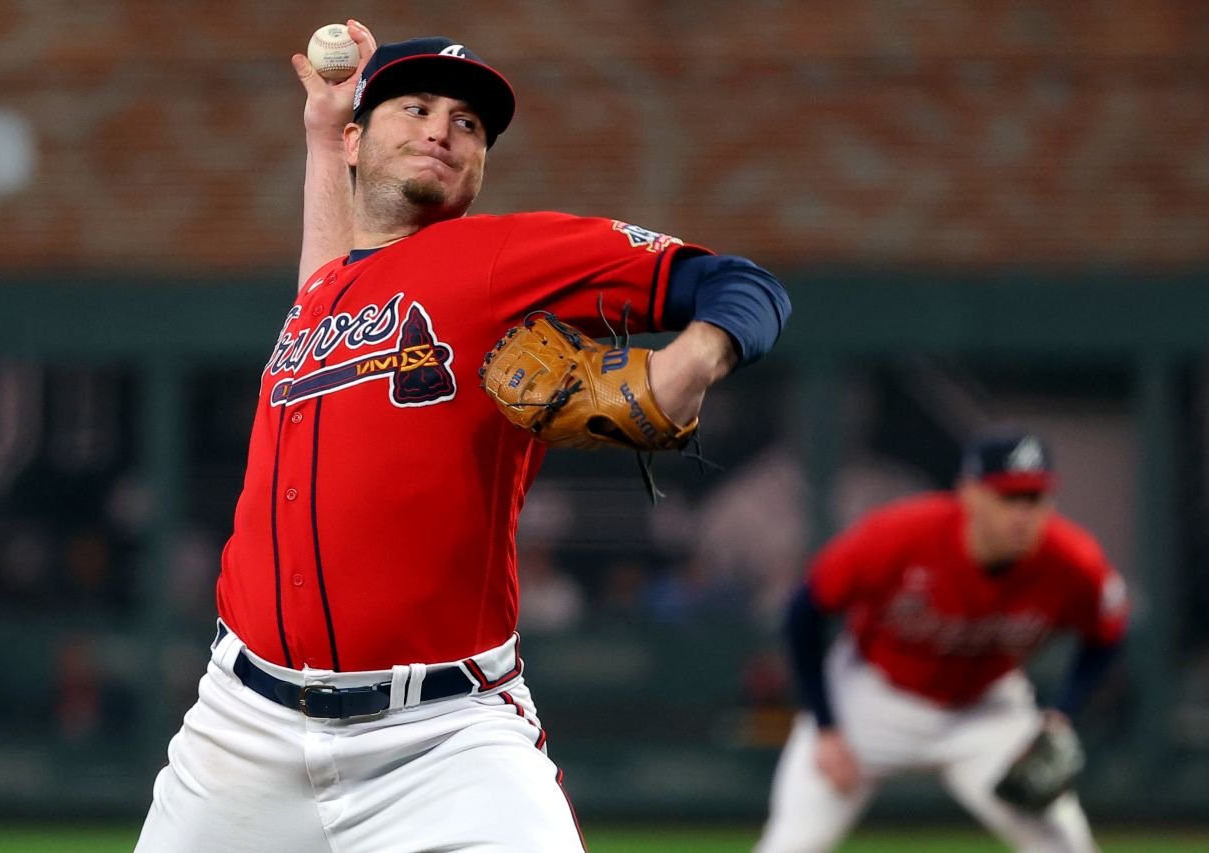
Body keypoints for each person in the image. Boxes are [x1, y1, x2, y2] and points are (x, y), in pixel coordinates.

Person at [135, 20, 790, 853]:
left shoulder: (502, 258)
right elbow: (330, 269)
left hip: (443, 738)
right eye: (415, 107)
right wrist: (316, 138)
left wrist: (690, 361)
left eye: (469, 123)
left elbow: (742, 283)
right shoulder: (325, 293)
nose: (444, 128)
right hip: (242, 726)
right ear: (356, 138)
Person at [755, 431, 1129, 853]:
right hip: (871, 698)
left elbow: (1109, 632)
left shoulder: (1073, 561)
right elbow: (805, 612)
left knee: (1067, 845)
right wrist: (825, 725)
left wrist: (1062, 714)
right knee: (790, 845)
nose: (1023, 515)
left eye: (1035, 498)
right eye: (1008, 498)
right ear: (969, 494)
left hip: (986, 710)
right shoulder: (899, 534)